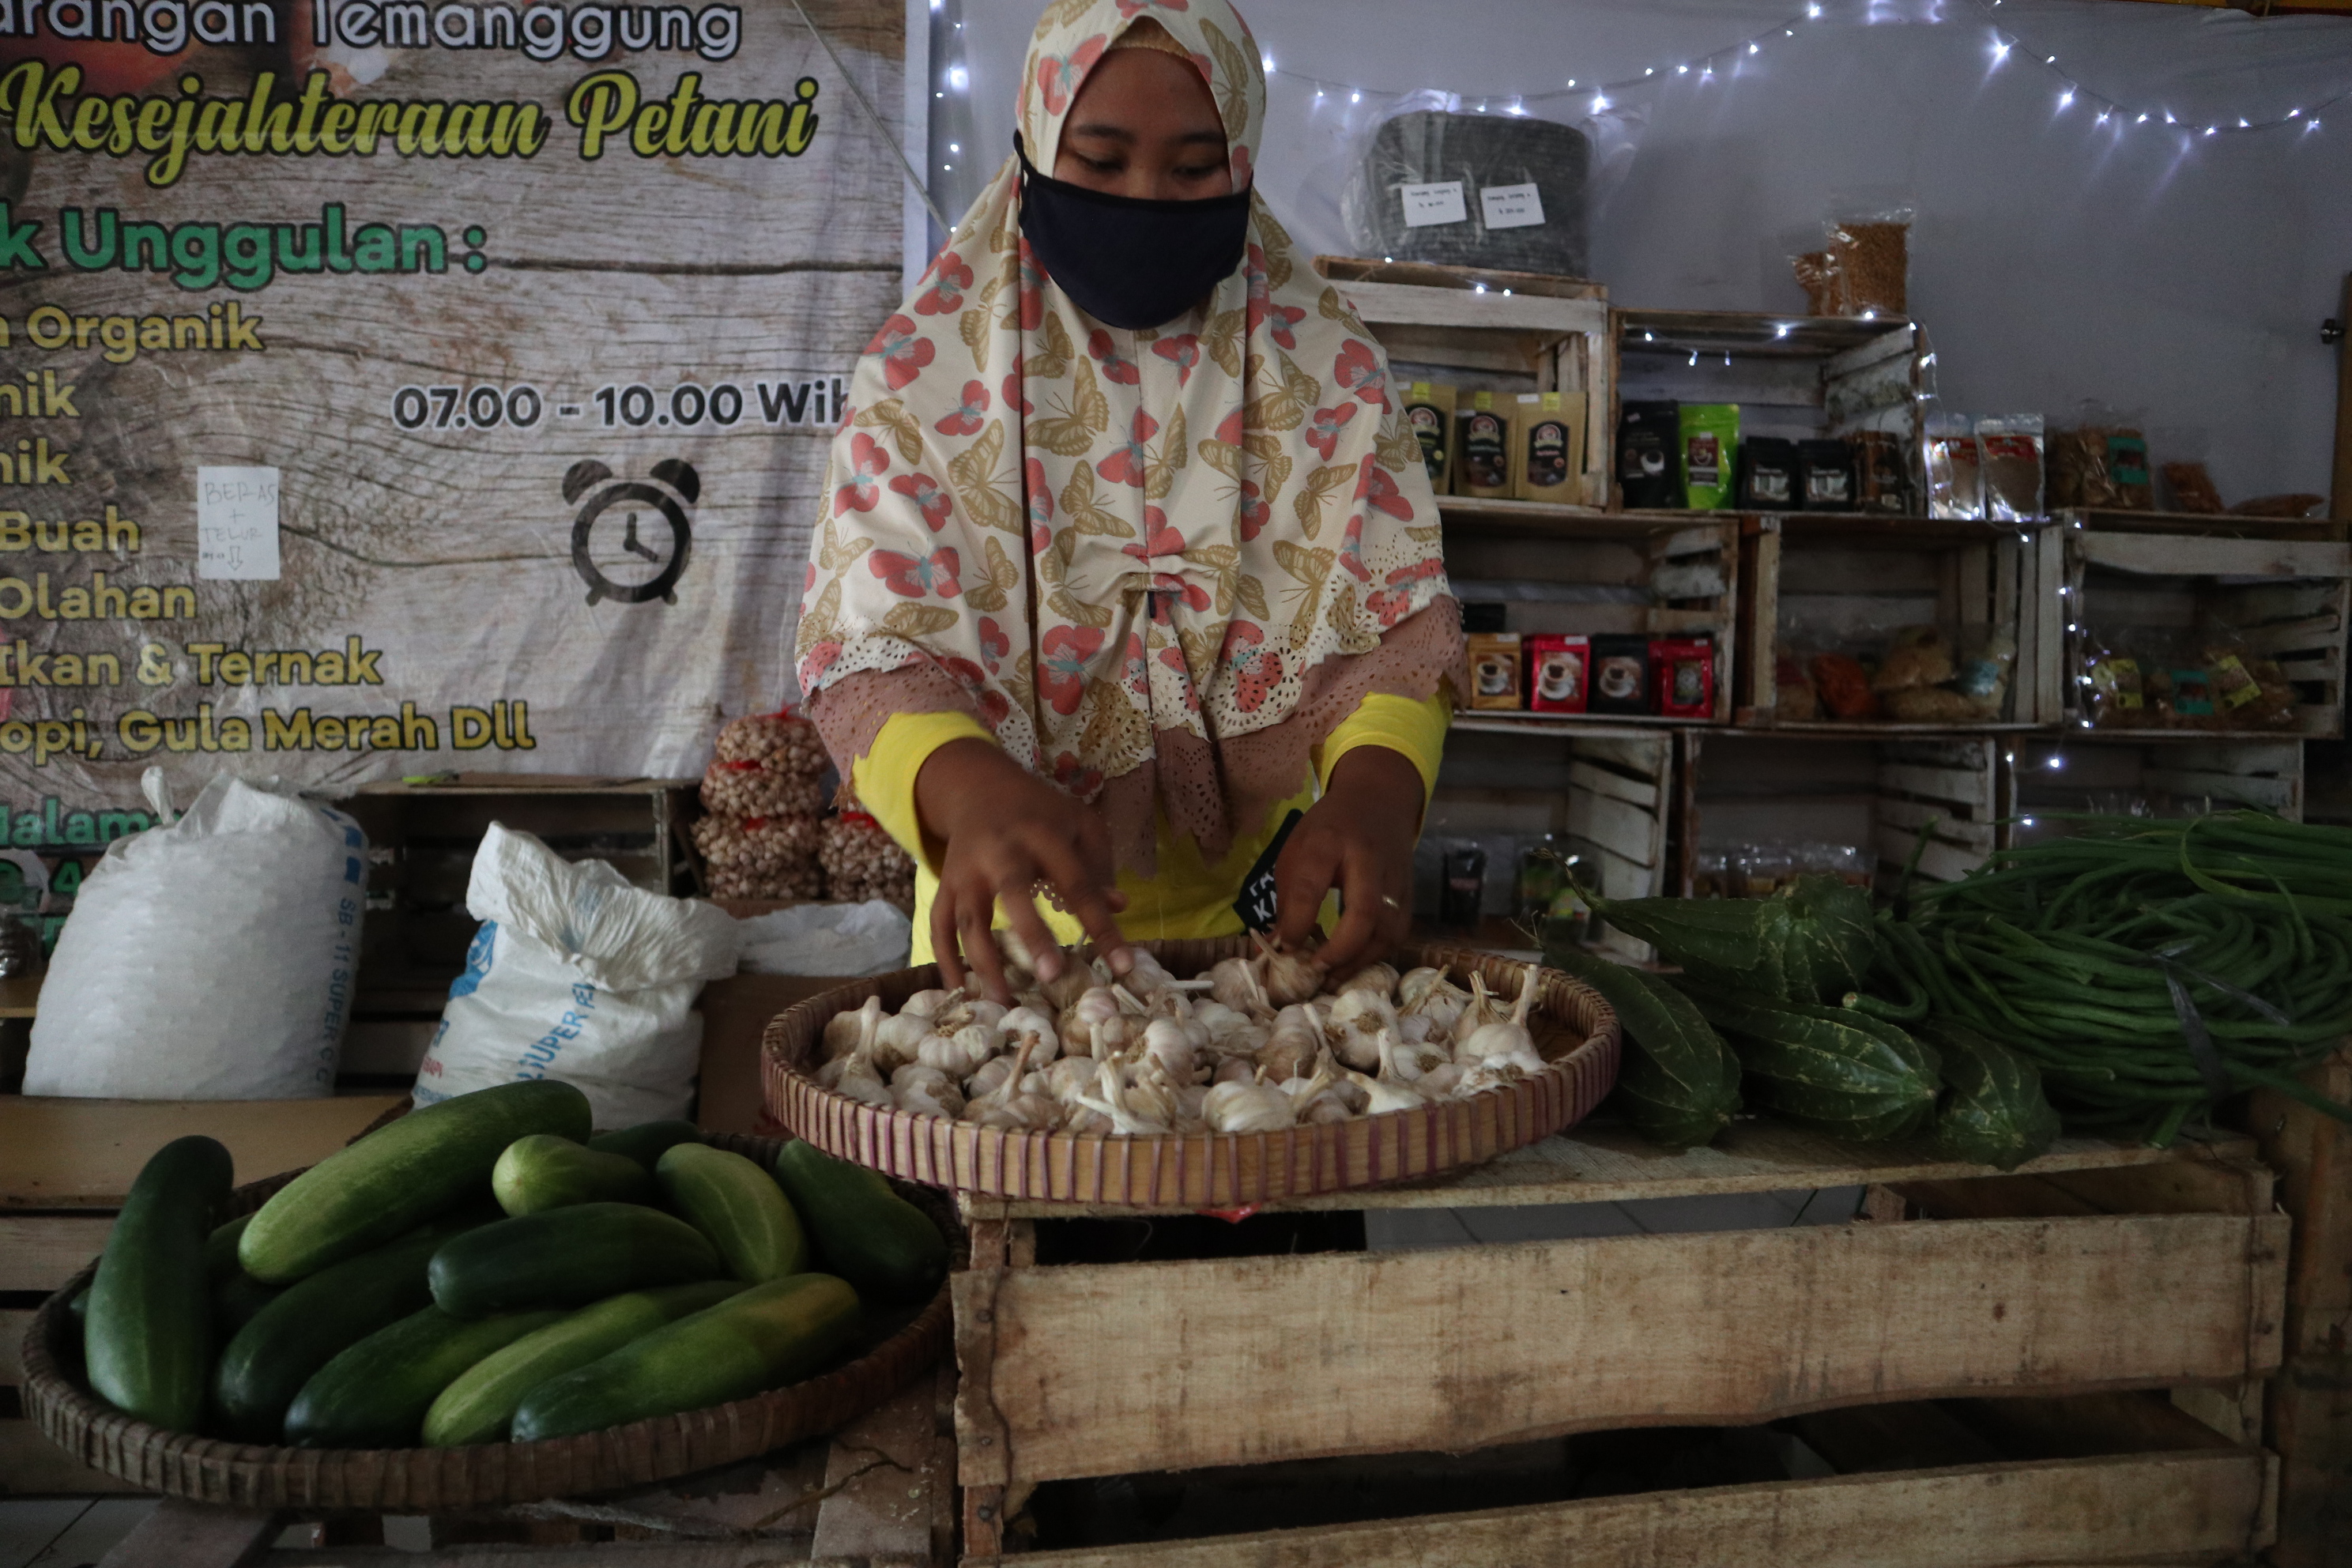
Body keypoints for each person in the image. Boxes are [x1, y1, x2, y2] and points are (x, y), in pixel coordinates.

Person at [795, 0, 1462, 1003]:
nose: (1147, 197)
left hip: (1279, 954)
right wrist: (968, 787)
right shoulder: (922, 379)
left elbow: (1393, 625)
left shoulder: (1333, 375)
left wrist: (1376, 792)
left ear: (1243, 162)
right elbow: (870, 645)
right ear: (1034, 145)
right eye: (1101, 164)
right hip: (1016, 952)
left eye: (1195, 170)